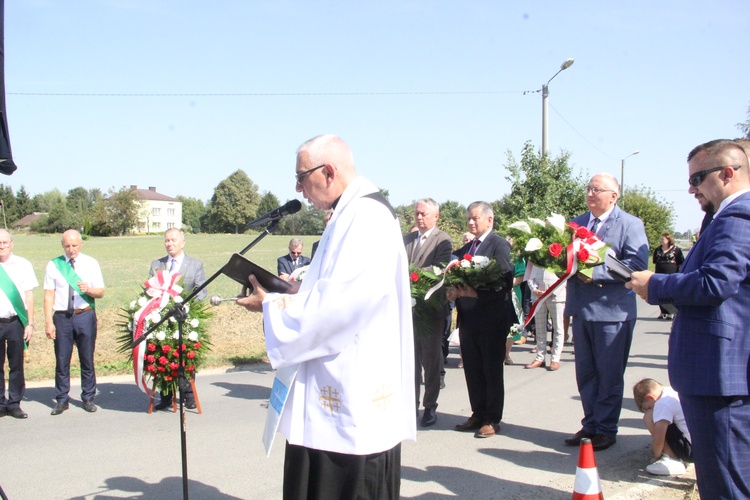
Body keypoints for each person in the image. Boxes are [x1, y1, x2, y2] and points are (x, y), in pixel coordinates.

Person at [236, 134, 415, 499]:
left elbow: (339, 308)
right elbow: (329, 291)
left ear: (328, 171)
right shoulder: (346, 214)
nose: (298, 188)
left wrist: (270, 306)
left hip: (352, 392)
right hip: (333, 381)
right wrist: (289, 293)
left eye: (302, 177)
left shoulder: (366, 217)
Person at [627, 139, 750, 498]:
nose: (691, 187)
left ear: (727, 173)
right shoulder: (721, 217)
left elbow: (716, 282)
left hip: (719, 377)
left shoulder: (737, 215)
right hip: (714, 375)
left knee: (725, 484)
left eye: (698, 178)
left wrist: (656, 284)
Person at [563, 173, 649, 451]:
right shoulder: (576, 222)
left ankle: (606, 429)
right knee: (586, 374)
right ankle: (590, 425)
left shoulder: (630, 224)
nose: (590, 193)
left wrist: (595, 272)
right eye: (588, 188)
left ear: (614, 195)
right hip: (582, 310)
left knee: (609, 374)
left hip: (613, 313)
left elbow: (636, 262)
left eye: (596, 189)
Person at [447, 201, 515, 439]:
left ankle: (492, 418)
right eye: (468, 219)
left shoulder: (499, 246)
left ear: (490, 220)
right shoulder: (466, 248)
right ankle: (477, 412)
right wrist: (453, 289)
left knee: (491, 368)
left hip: (492, 318)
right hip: (468, 318)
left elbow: (505, 282)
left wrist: (476, 293)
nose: (471, 223)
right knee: (473, 368)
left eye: (475, 218)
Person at [44, 229, 105, 415]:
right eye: (67, 246)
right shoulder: (54, 265)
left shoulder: (91, 263)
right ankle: (62, 399)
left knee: (87, 358)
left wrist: (89, 290)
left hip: (84, 315)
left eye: (74, 245)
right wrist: (48, 322)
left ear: (81, 244)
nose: (71, 249)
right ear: (62, 245)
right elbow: (48, 295)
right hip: (62, 317)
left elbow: (101, 292)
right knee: (62, 360)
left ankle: (88, 397)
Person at [404, 198, 452, 428]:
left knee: (431, 361)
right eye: (416, 214)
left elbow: (438, 270)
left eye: (423, 213)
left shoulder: (442, 240)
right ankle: (410, 405)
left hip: (430, 309)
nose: (419, 217)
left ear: (435, 216)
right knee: (409, 361)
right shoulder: (406, 240)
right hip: (407, 310)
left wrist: (409, 275)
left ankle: (430, 406)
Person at [149, 228, 206, 410]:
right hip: (162, 320)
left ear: (182, 242)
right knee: (163, 355)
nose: (169, 244)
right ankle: (166, 396)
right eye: (167, 241)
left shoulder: (195, 265)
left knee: (185, 357)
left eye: (173, 240)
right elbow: (150, 289)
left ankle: (188, 395)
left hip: (186, 319)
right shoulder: (156, 264)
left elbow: (201, 290)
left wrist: (186, 306)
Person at [0, 229, 38, 419]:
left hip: (16, 322)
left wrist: (30, 323)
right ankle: (0, 403)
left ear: (11, 244)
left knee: (16, 365)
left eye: (5, 242)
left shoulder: (23, 265)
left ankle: (14, 403)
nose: (1, 246)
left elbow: (29, 295)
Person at [633, 378, 692, 476]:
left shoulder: (662, 404)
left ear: (650, 397)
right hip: (700, 446)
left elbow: (658, 439)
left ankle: (671, 459)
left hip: (690, 451)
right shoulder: (671, 391)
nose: (651, 409)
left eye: (648, 407)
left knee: (648, 417)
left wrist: (657, 455)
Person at [525, 264, 566, 371]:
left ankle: (555, 359)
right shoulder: (535, 253)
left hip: (556, 295)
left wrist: (553, 291)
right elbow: (529, 273)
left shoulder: (560, 252)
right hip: (538, 295)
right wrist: (533, 289)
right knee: (539, 327)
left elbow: (566, 275)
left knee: (558, 327)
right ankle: (540, 357)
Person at [651, 233, 684, 319]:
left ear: (668, 240)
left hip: (672, 273)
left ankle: (670, 312)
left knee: (669, 293)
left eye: (663, 239)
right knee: (660, 293)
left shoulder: (676, 250)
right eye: (661, 239)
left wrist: (679, 273)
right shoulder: (658, 250)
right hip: (659, 273)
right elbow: (654, 261)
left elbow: (681, 262)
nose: (661, 241)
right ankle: (662, 312)